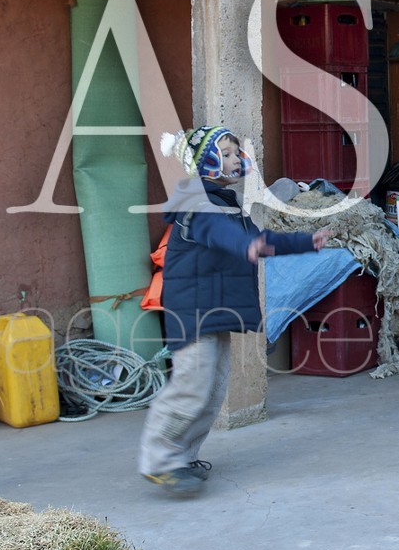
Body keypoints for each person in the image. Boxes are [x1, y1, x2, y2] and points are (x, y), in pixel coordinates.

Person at [139, 125, 331, 497]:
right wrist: (245, 245)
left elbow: (260, 239)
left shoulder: (227, 204)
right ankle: (158, 460)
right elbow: (222, 234)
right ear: (204, 162)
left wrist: (306, 241)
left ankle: (183, 458)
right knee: (191, 387)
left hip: (216, 309)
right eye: (225, 154)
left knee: (213, 391)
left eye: (235, 153)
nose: (235, 160)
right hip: (192, 310)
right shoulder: (195, 202)